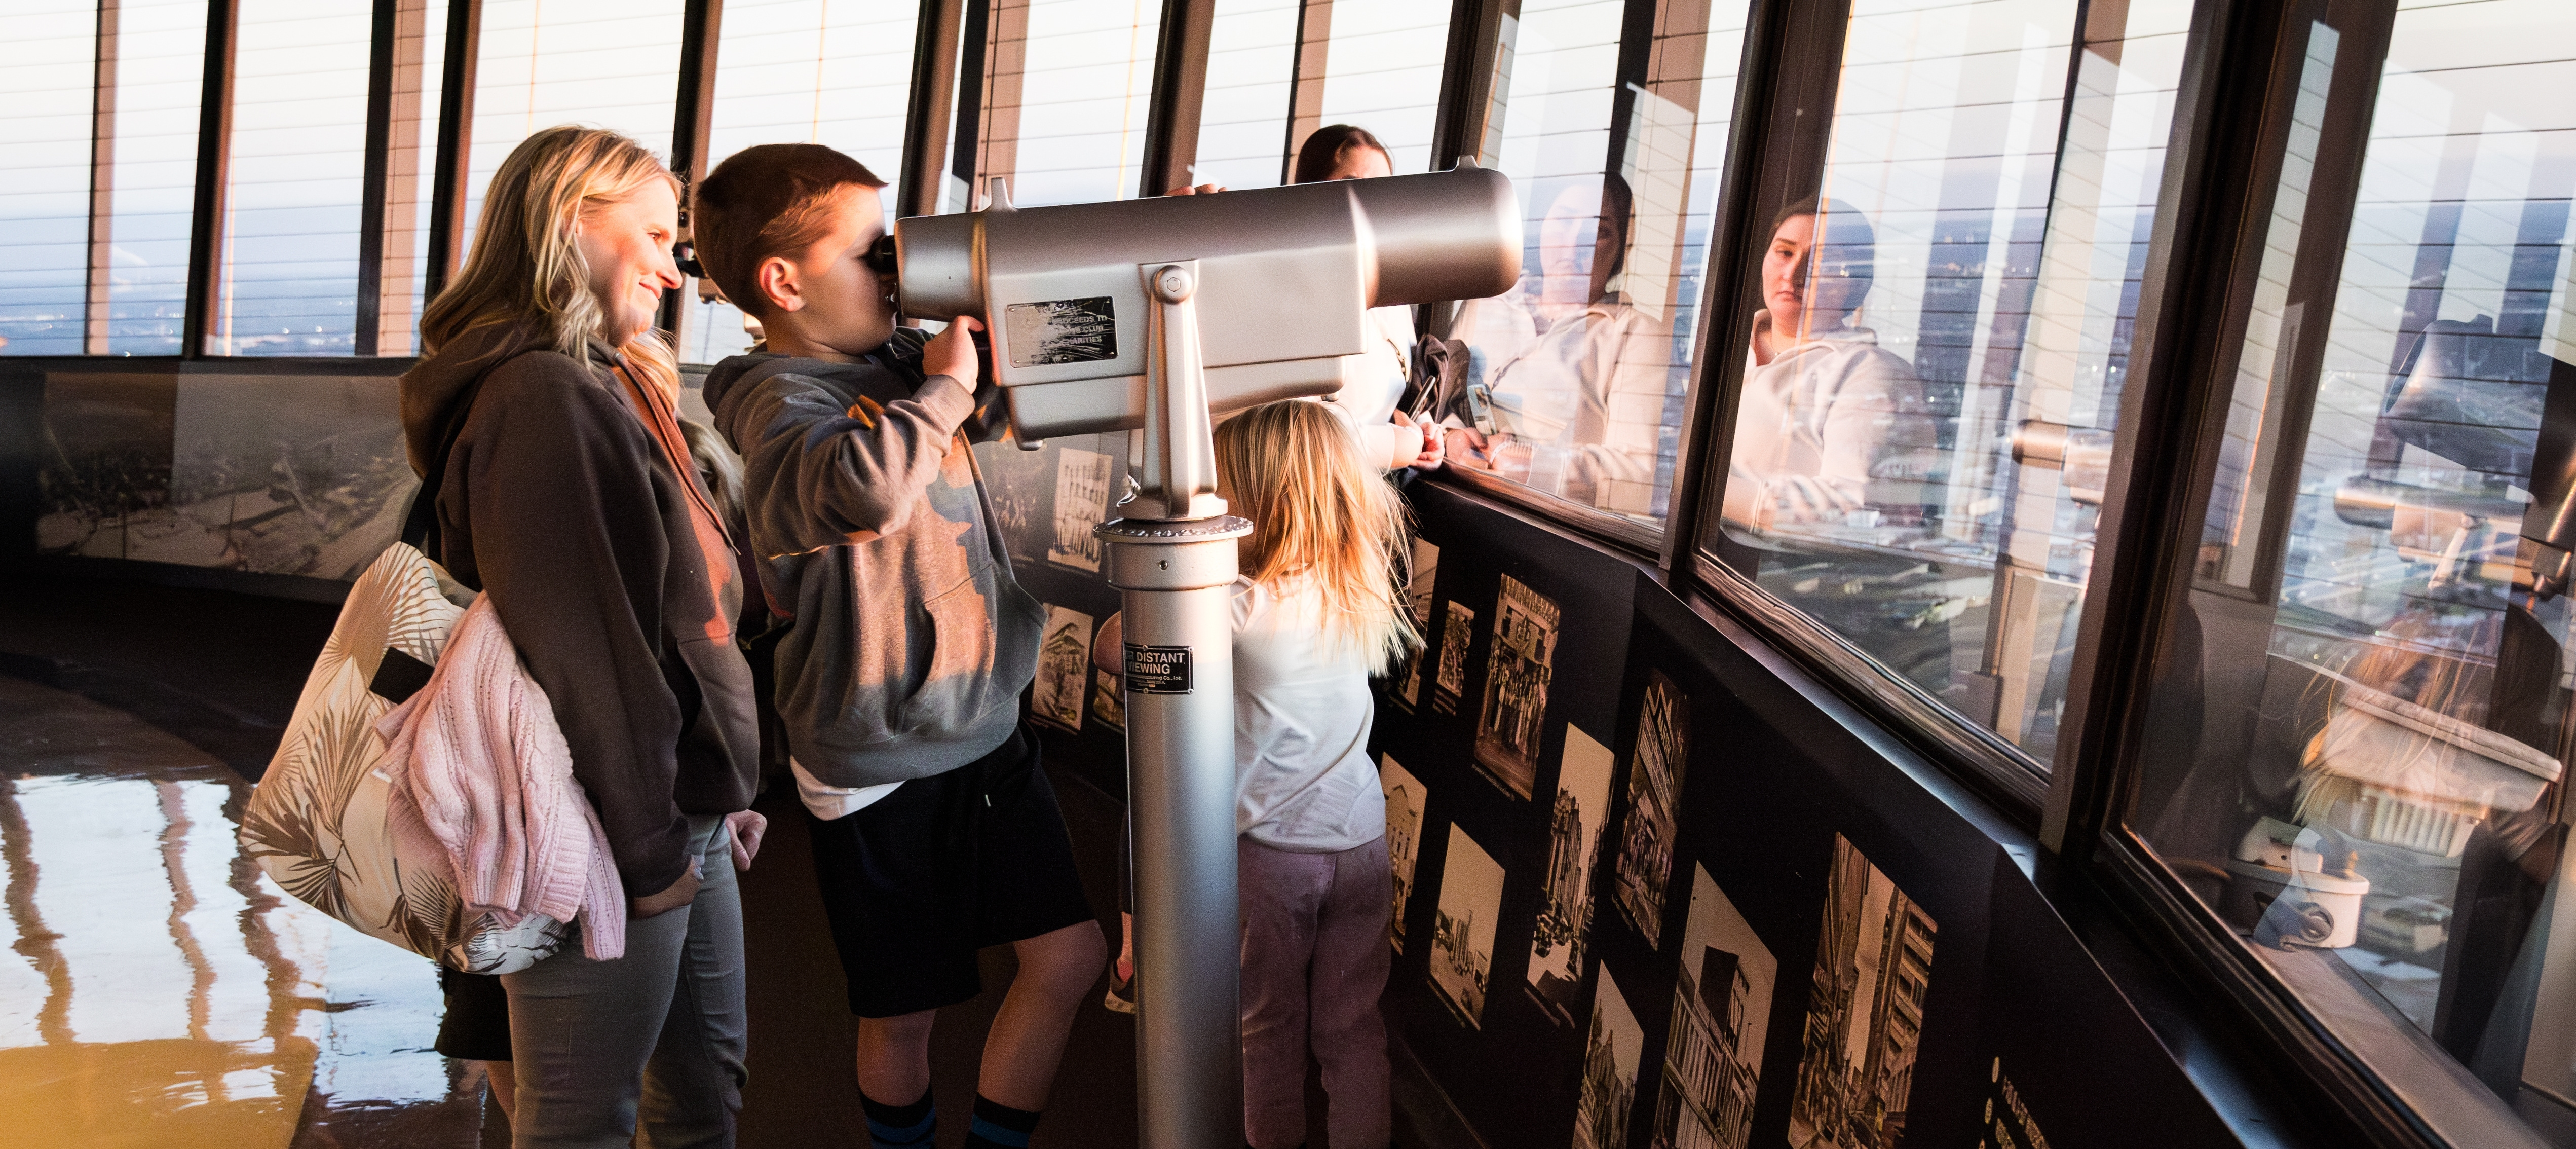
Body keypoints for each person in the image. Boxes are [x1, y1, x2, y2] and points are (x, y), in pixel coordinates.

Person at [691, 142, 1104, 1149]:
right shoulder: (772, 400)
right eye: (869, 250)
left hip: (984, 721)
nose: (893, 269)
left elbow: (1047, 396)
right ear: (782, 282)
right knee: (904, 1010)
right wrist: (947, 390)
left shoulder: (902, 364)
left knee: (1069, 956)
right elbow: (857, 490)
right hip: (878, 754)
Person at [399, 124, 762, 1148]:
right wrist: (649, 851)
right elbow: (593, 657)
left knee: (701, 1097)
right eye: (650, 234)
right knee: (580, 1121)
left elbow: (677, 627)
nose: (670, 266)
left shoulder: (605, 381)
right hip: (604, 822)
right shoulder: (544, 394)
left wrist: (717, 781)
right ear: (570, 222)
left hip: (673, 799)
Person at [1094, 399, 1420, 1149]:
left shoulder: (1240, 604)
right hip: (1362, 845)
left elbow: (1118, 646)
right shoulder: (1359, 582)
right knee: (1351, 1030)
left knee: (1266, 1032)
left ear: (1254, 502)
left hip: (1274, 855)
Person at [1167, 123, 1445, 472]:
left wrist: (1423, 427)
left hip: (1353, 497)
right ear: (1307, 193)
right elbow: (1281, 428)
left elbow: (1382, 392)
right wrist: (1395, 447)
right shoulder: (1274, 286)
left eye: (1383, 190)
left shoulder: (1393, 299)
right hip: (1292, 496)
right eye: (1354, 187)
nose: (1371, 205)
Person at [1443, 173, 1676, 515]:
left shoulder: (1636, 335)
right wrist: (1452, 438)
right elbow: (1440, 397)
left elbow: (1638, 476)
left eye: (1599, 231)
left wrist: (1530, 464)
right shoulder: (1487, 302)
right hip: (1450, 506)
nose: (1576, 241)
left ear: (1621, 249)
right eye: (1564, 220)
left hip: (1550, 533)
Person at [1719, 197, 1936, 531]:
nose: (1793, 273)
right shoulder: (1720, 346)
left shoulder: (1869, 370)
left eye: (1821, 261)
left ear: (1857, 284)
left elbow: (1847, 504)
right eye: (1785, 252)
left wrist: (1709, 491)